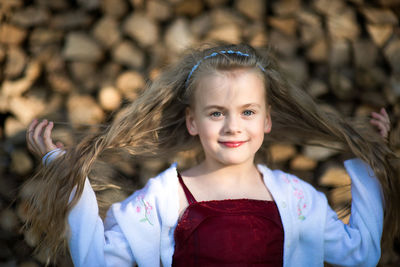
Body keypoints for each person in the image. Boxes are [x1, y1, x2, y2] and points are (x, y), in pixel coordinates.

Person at [24, 44, 398, 267]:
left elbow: (360, 255)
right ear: (192, 121)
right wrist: (65, 172)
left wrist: (369, 161)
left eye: (248, 112)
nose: (233, 127)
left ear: (267, 120)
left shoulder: (295, 198)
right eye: (216, 112)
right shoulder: (163, 199)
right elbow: (97, 261)